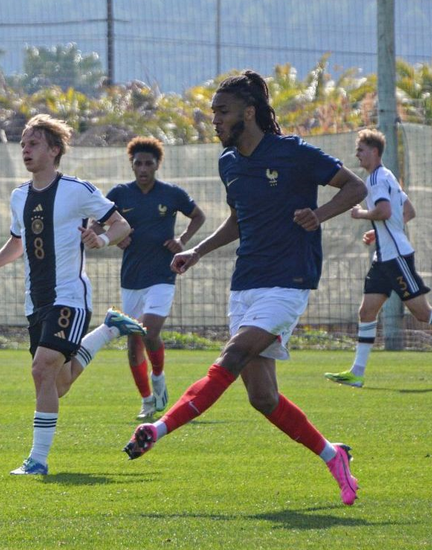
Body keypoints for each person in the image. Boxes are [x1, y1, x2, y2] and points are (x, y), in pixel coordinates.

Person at [122, 70, 366, 506]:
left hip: (288, 281)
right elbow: (237, 221)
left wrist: (320, 214)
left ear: (248, 113)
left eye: (222, 111)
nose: (213, 120)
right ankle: (334, 455)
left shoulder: (293, 153)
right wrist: (197, 251)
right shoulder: (229, 162)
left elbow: (355, 186)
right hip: (245, 283)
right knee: (262, 397)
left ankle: (155, 430)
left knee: (232, 355)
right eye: (213, 112)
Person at [0, 114, 147, 476]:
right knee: (57, 382)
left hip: (70, 297)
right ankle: (109, 329)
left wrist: (101, 239)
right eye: (22, 144)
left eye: (32, 143)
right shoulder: (19, 196)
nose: (25, 149)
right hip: (36, 301)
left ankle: (37, 460)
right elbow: (18, 243)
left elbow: (121, 224)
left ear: (54, 150)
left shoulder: (76, 190)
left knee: (42, 367)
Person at [324, 129, 432, 388]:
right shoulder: (386, 176)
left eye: (361, 149)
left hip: (396, 257)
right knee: (366, 311)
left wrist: (362, 215)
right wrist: (379, 231)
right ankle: (357, 372)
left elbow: (384, 210)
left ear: (375, 152)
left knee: (422, 312)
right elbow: (407, 210)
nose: (357, 154)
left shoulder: (377, 179)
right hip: (384, 257)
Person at [101, 136, 206, 420]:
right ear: (132, 166)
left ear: (157, 164)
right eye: (138, 163)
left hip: (162, 274)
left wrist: (182, 239)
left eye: (149, 163)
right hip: (131, 277)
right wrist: (113, 238)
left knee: (149, 330)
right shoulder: (120, 194)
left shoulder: (171, 194)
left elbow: (198, 216)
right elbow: (95, 221)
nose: (143, 168)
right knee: (133, 341)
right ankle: (148, 401)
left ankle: (158, 376)